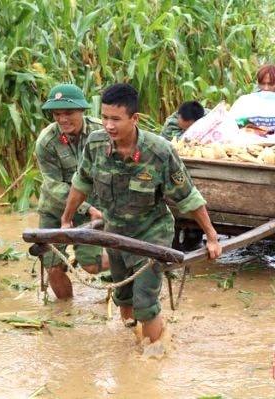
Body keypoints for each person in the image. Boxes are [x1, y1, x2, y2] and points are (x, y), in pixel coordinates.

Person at [60, 83, 222, 343]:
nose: (109, 125)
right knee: (123, 296)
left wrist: (212, 237)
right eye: (104, 117)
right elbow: (81, 182)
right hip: (115, 233)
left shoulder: (159, 152)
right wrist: (66, 219)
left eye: (116, 119)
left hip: (151, 233)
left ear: (134, 119)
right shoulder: (96, 144)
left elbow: (188, 197)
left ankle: (154, 358)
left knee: (145, 301)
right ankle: (131, 350)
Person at [35, 83, 108, 299]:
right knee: (54, 267)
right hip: (56, 209)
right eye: (57, 114)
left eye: (69, 113)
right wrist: (87, 209)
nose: (63, 119)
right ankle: (66, 313)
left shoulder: (101, 133)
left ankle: (126, 262)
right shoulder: (47, 142)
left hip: (95, 209)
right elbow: (54, 186)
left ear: (82, 110)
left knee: (91, 266)